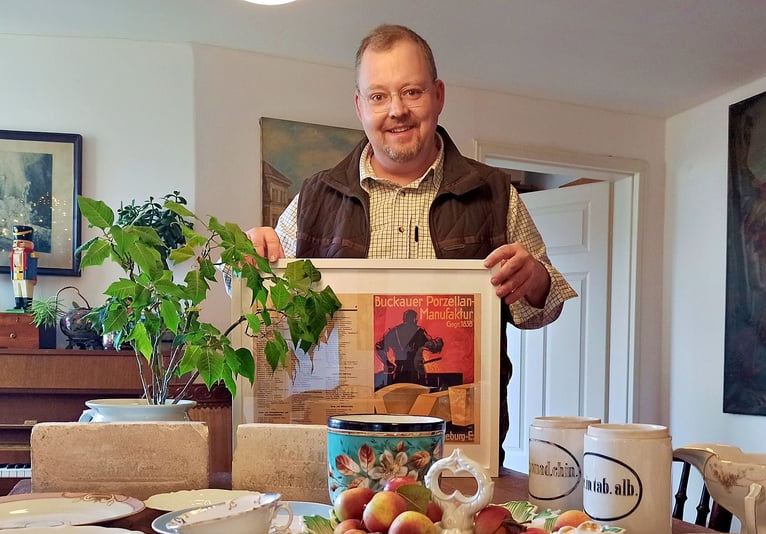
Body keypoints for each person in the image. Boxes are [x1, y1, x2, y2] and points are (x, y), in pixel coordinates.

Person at [247, 24, 577, 464]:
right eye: (379, 96)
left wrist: (534, 278)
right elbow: (259, 300)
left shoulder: (494, 192)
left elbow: (545, 308)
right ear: (360, 106)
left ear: (438, 95)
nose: (397, 110)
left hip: (456, 459)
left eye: (412, 92)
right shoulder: (313, 197)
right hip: (341, 454)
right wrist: (252, 258)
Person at [376, 308, 444, 385]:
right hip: (416, 374)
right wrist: (438, 341)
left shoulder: (393, 331)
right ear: (414, 319)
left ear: (404, 319)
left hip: (399, 373)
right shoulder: (420, 331)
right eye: (416, 319)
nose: (417, 321)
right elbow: (435, 348)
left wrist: (387, 362)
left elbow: (379, 347)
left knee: (399, 394)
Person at [9, 225, 38, 311]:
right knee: (17, 290)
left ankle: (27, 306)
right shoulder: (13, 254)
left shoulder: (31, 255)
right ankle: (18, 304)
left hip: (26, 276)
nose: (17, 245)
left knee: (26, 291)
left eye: (21, 242)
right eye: (15, 242)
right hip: (16, 275)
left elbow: (33, 267)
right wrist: (12, 277)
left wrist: (33, 277)